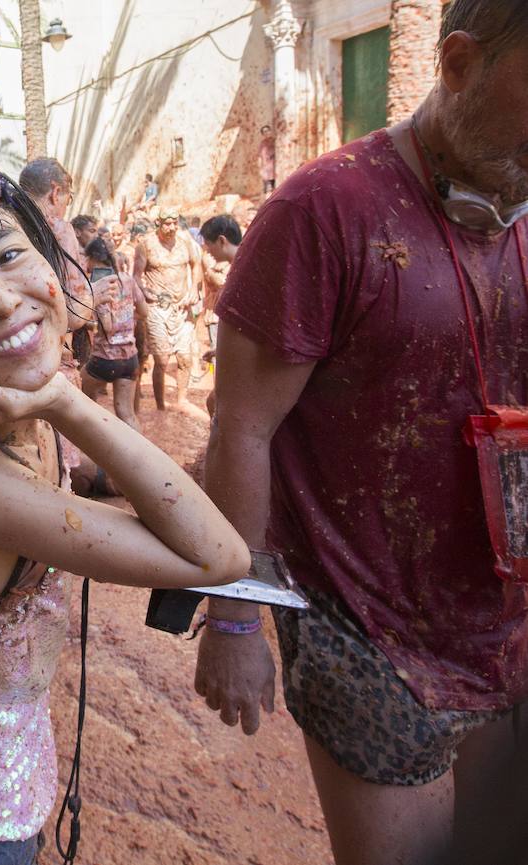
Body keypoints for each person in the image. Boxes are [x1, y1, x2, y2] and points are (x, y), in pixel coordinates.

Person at [193, 4, 528, 864]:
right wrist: (235, 616)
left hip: (503, 622)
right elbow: (241, 428)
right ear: (457, 65)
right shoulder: (324, 209)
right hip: (365, 631)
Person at [0, 161, 250, 865]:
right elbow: (219, 556)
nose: (0, 300)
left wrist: (57, 406)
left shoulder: (19, 421)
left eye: (8, 255)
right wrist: (65, 398)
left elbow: (146, 494)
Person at [133, 208, 206, 419]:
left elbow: (196, 265)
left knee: (184, 357)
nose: (172, 227)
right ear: (158, 224)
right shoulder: (145, 245)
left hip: (181, 306)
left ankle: (182, 399)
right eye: (167, 223)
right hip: (157, 307)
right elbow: (136, 276)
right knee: (161, 359)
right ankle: (160, 404)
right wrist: (144, 291)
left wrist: (194, 290)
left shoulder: (186, 242)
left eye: (175, 223)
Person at [80, 237, 149, 433]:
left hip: (105, 358)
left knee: (77, 392)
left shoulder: (100, 285)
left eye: (87, 259)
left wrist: (84, 321)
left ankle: (98, 443)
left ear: (93, 258)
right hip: (130, 358)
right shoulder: (127, 279)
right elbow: (144, 312)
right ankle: (140, 456)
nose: (86, 264)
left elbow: (108, 327)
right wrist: (126, 319)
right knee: (126, 413)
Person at [17, 157, 92, 304]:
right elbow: (74, 311)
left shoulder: (9, 221)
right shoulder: (61, 231)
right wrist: (95, 294)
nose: (65, 208)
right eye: (68, 200)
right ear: (55, 193)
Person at [198, 214, 241, 354]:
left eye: (209, 245)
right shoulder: (238, 266)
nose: (208, 251)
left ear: (222, 241)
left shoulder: (244, 269)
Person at [258, 124, 277, 196]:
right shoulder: (262, 144)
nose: (266, 133)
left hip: (277, 170)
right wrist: (260, 170)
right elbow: (259, 157)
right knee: (269, 192)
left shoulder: (276, 141)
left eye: (267, 131)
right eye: (264, 132)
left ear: (270, 131)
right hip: (267, 172)